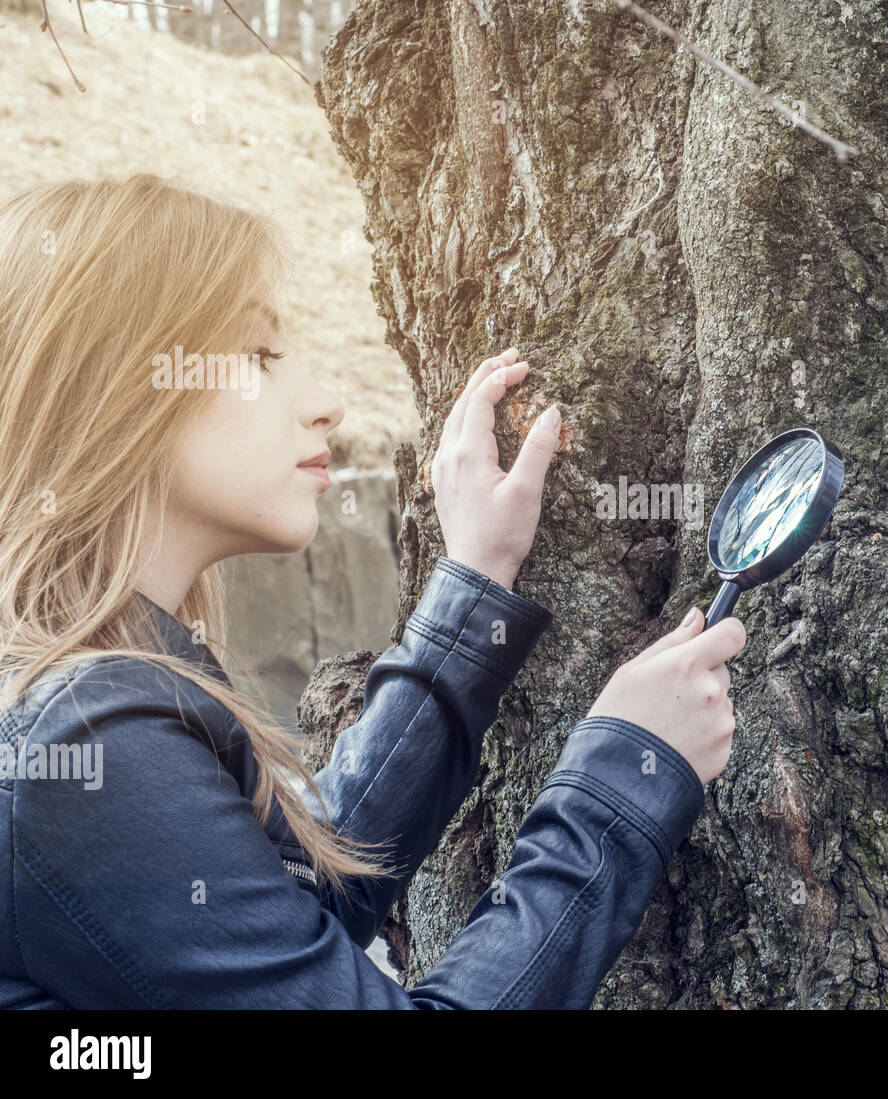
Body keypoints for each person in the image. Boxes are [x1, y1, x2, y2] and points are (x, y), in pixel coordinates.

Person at [0, 173, 746, 1008]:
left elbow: (296, 903)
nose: (325, 403)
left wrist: (476, 581)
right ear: (114, 393)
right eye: (257, 356)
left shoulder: (77, 697)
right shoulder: (84, 742)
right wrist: (625, 776)